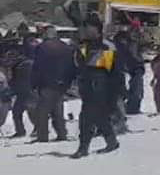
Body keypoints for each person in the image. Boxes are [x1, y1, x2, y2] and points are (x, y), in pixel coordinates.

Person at [71, 14, 124, 158]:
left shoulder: (107, 46)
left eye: (89, 27)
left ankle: (83, 148)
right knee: (100, 117)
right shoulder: (83, 46)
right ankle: (111, 141)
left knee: (87, 117)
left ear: (96, 28)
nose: (86, 30)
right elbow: (78, 67)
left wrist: (116, 93)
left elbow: (115, 72)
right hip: (87, 86)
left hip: (102, 87)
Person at [30, 27, 74, 142]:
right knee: (58, 109)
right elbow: (71, 66)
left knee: (42, 111)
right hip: (61, 83)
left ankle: (42, 136)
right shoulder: (65, 47)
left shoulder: (42, 48)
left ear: (46, 34)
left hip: (46, 82)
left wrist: (34, 84)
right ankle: (62, 133)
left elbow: (38, 67)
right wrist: (68, 82)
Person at [7, 35, 35, 137]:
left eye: (12, 57)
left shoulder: (23, 65)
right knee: (22, 112)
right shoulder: (21, 64)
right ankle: (23, 131)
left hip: (26, 92)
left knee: (23, 111)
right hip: (26, 92)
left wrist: (11, 90)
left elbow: (18, 81)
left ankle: (23, 131)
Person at [114, 27, 145, 116]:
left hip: (133, 67)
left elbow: (134, 57)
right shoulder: (125, 44)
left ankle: (131, 108)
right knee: (122, 89)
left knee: (135, 88)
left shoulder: (131, 43)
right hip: (127, 67)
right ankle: (127, 108)